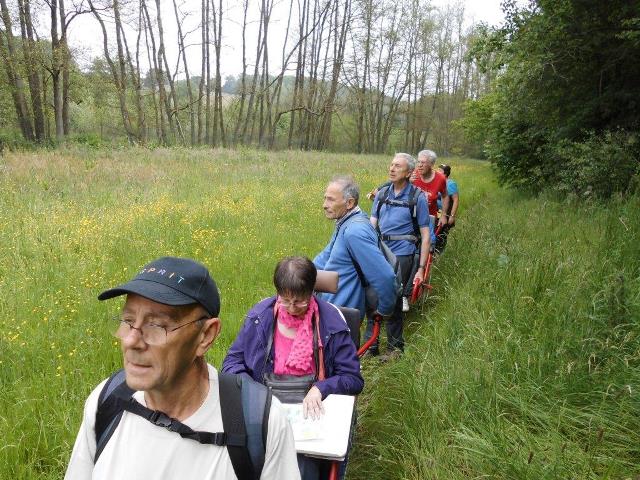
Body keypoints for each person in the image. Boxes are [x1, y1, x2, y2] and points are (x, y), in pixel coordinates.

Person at [65, 256, 300, 480]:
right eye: (127, 321)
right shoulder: (106, 401)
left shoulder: (259, 422)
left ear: (205, 336)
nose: (130, 341)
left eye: (156, 325)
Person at [222, 256, 364, 480]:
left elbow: (353, 379)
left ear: (312, 292)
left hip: (310, 416)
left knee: (301, 466)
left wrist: (322, 388)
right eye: (284, 300)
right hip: (265, 408)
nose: (291, 308)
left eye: (299, 301)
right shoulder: (259, 317)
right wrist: (253, 391)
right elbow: (232, 363)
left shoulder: (332, 323)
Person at [367, 153, 431, 360]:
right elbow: (372, 225)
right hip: (380, 252)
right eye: (391, 165)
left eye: (398, 166)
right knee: (371, 297)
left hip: (403, 253)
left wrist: (421, 267)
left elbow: (425, 234)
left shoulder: (417, 198)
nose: (392, 169)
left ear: (409, 172)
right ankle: (371, 344)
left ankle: (395, 348)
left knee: (394, 300)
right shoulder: (382, 194)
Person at [313, 175, 397, 321]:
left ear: (349, 203)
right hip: (329, 309)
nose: (324, 205)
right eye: (325, 198)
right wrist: (298, 277)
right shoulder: (345, 222)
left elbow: (385, 276)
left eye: (331, 199)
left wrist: (385, 310)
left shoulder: (355, 231)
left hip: (340, 318)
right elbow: (325, 257)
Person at [412, 149, 449, 233]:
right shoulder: (412, 175)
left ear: (431, 164)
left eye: (423, 162)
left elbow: (445, 195)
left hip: (429, 217)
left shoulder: (440, 178)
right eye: (418, 162)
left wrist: (444, 215)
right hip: (411, 216)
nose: (419, 165)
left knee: (429, 243)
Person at [435, 164, 459, 253]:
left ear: (445, 174)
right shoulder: (437, 182)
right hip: (435, 213)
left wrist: (452, 216)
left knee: (441, 236)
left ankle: (438, 255)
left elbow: (456, 200)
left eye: (439, 171)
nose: (436, 172)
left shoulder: (450, 184)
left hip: (445, 214)